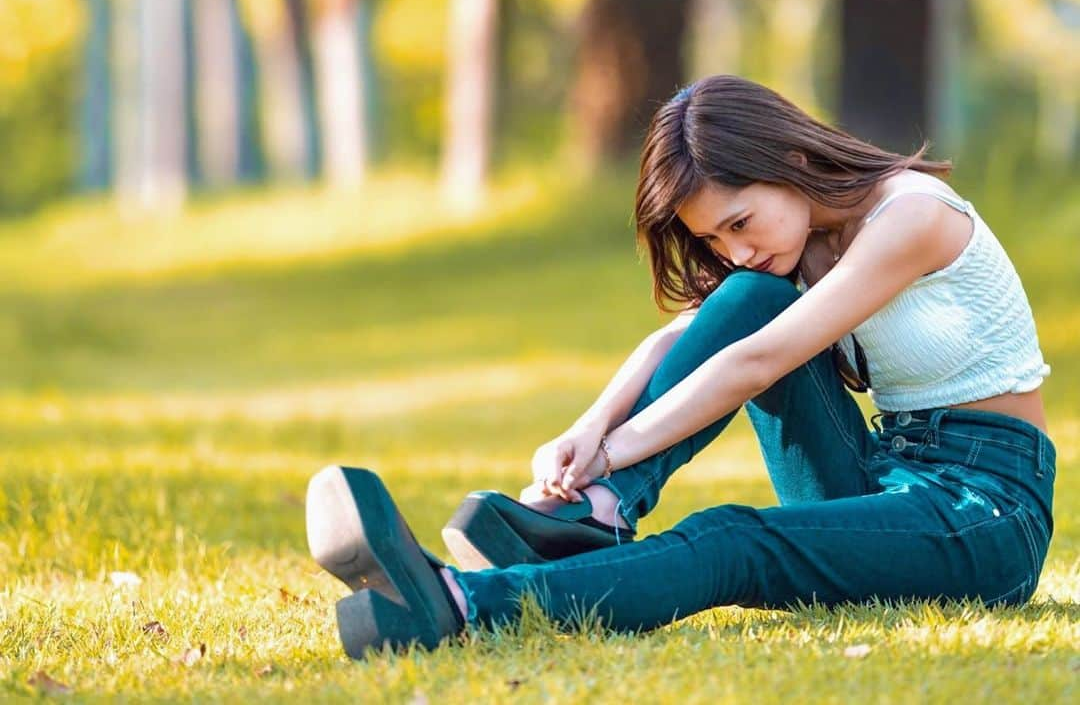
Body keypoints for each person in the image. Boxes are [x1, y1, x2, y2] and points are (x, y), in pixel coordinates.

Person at [304, 75, 1056, 658]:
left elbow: (756, 365)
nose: (737, 249)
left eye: (740, 222)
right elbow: (682, 338)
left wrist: (616, 448)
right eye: (717, 238)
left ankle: (463, 605)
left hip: (984, 513)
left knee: (734, 539)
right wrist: (590, 428)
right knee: (750, 297)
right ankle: (601, 514)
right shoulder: (801, 246)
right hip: (886, 475)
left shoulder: (914, 217)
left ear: (790, 162)